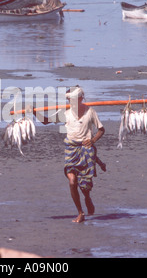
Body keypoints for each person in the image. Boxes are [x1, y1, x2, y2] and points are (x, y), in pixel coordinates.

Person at [34, 87, 106, 223]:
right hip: (71, 150)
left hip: (86, 150)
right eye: (69, 100)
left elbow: (101, 130)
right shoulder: (65, 114)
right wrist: (32, 111)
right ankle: (80, 212)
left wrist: (92, 140)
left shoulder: (90, 112)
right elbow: (45, 121)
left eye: (74, 99)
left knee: (85, 185)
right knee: (72, 182)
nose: (71, 102)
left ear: (80, 99)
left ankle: (87, 197)